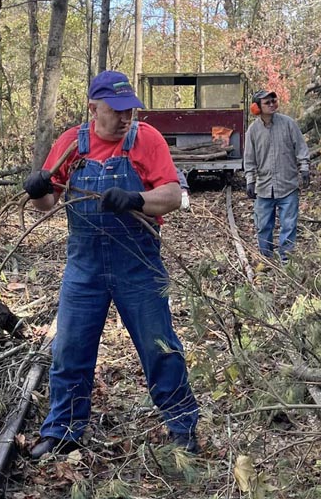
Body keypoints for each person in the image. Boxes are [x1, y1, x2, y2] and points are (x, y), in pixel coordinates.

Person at [22, 70, 199, 458]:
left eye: (129, 110)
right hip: (85, 266)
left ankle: (182, 427)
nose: (125, 118)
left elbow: (171, 194)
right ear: (93, 107)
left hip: (137, 263)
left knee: (160, 347)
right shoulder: (72, 144)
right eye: (116, 110)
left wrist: (137, 200)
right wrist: (37, 192)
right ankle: (63, 429)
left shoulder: (146, 139)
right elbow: (48, 204)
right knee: (70, 349)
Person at [244, 89, 311, 261]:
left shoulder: (288, 124)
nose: (272, 104)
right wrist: (250, 180)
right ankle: (266, 260)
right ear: (257, 107)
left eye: (274, 101)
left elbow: (301, 148)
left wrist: (304, 168)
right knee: (263, 226)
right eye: (267, 102)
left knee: (289, 225)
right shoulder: (252, 131)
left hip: (288, 184)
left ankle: (286, 261)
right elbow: (249, 158)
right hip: (264, 187)